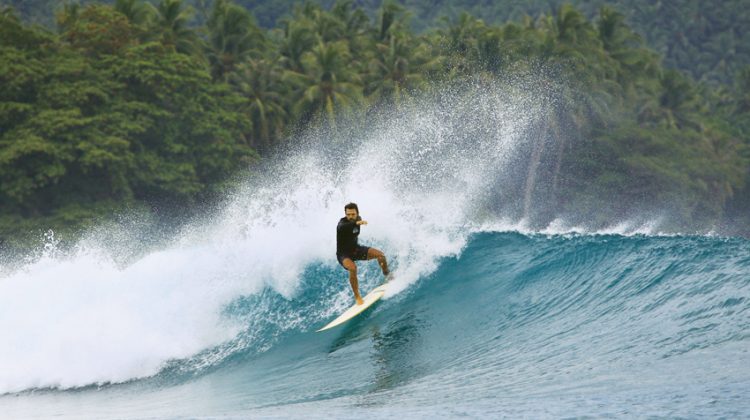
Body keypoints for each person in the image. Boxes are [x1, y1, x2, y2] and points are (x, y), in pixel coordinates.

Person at [336, 202, 391, 305]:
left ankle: (387, 274)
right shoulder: (342, 224)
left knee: (381, 256)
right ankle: (357, 297)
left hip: (356, 250)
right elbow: (344, 227)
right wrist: (356, 223)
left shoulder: (358, 219)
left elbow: (355, 224)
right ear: (345, 214)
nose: (350, 217)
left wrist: (358, 222)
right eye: (348, 214)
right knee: (352, 268)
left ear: (357, 213)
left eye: (353, 214)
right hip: (344, 255)